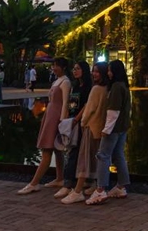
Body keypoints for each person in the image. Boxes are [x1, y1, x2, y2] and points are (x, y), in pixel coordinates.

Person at [17, 57, 72, 195]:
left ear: (63, 67)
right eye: (53, 65)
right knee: (56, 150)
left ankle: (34, 183)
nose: (53, 68)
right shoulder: (56, 81)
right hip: (50, 115)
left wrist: (62, 121)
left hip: (56, 117)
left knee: (47, 150)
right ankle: (59, 178)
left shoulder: (65, 82)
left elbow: (65, 103)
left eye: (56, 66)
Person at [61, 62, 109, 204]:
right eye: (93, 71)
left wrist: (80, 122)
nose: (94, 74)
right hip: (100, 127)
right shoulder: (107, 88)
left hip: (89, 126)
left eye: (97, 72)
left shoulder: (95, 89)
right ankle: (95, 185)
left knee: (84, 159)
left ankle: (77, 190)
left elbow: (89, 109)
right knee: (95, 158)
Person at [86, 59, 131, 205]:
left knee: (103, 156)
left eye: (110, 70)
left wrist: (106, 129)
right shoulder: (124, 85)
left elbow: (113, 110)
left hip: (113, 128)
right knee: (118, 155)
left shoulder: (117, 87)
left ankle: (100, 190)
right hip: (122, 127)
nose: (109, 73)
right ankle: (121, 186)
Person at [54, 61, 93, 200]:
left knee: (74, 152)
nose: (75, 71)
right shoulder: (76, 86)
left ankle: (68, 184)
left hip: (80, 122)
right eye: (74, 69)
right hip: (72, 120)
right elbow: (72, 103)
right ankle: (72, 182)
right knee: (71, 151)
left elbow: (87, 105)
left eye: (78, 69)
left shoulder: (89, 87)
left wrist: (76, 119)